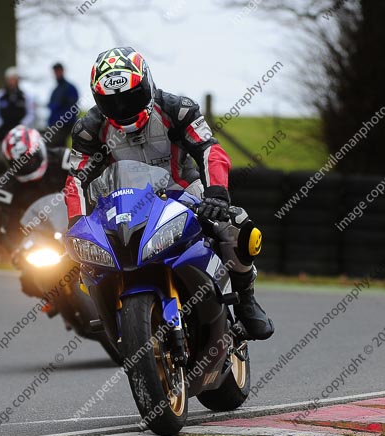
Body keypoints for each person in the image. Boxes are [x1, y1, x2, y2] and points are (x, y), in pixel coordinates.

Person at [63, 47, 274, 341]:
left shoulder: (178, 108)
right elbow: (77, 178)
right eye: (112, 102)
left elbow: (210, 150)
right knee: (84, 255)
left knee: (237, 227)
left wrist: (217, 194)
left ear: (147, 84)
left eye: (131, 97)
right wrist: (76, 221)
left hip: (184, 192)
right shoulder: (89, 129)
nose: (123, 108)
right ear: (98, 100)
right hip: (124, 203)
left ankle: (247, 301)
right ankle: (109, 311)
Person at [0, 125, 70, 259]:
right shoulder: (6, 189)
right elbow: (9, 228)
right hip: (39, 239)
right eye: (18, 163)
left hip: (74, 227)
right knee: (28, 273)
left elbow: (91, 187)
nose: (26, 165)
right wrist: (17, 251)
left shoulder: (64, 160)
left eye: (30, 159)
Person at [0, 67, 37, 143]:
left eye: (14, 79)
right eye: (10, 79)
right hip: (3, 133)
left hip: (21, 134)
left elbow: (31, 113)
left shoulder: (25, 96)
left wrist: (22, 125)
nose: (12, 82)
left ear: (17, 80)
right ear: (6, 80)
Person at [46, 62, 80, 148]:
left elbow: (73, 109)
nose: (57, 73)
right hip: (54, 126)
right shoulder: (56, 90)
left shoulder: (70, 88)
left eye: (58, 71)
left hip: (64, 126)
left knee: (53, 145)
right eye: (55, 71)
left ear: (62, 71)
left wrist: (63, 123)